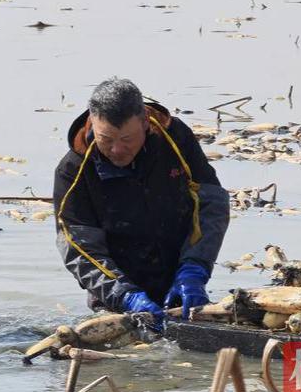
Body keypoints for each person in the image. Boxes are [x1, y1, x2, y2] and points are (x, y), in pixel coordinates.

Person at [53, 78, 229, 327]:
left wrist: (195, 267)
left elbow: (211, 205)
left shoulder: (175, 139)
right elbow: (78, 248)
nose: (116, 149)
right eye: (106, 139)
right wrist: (124, 296)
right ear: (93, 123)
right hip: (114, 295)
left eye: (126, 139)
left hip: (180, 280)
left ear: (145, 122)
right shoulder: (73, 170)